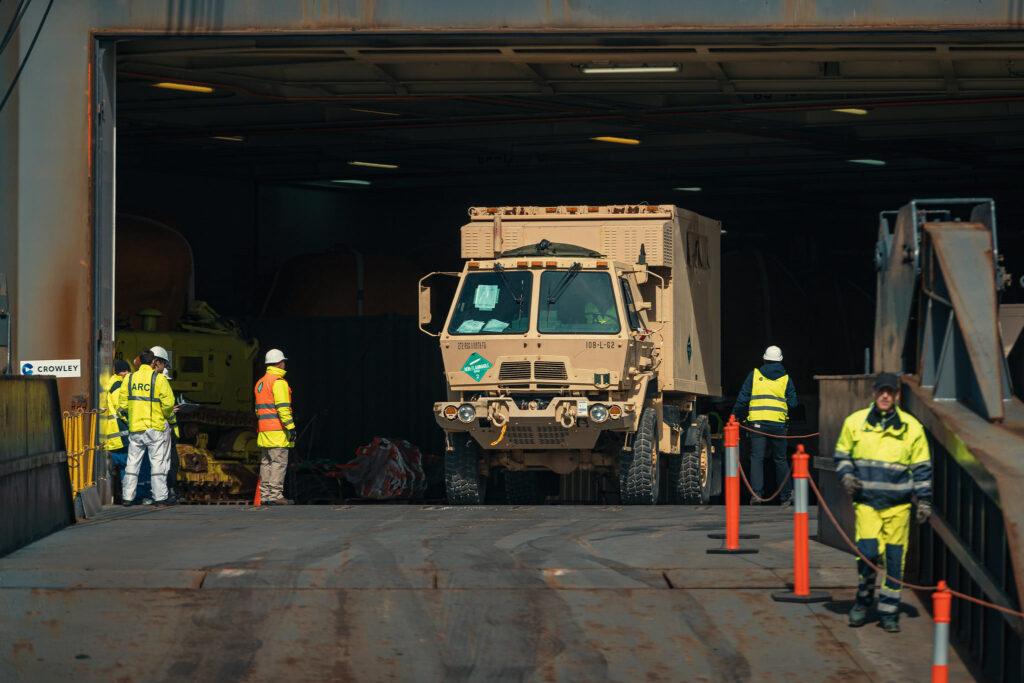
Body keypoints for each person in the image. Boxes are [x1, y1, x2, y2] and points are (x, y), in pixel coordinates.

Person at [834, 372, 932, 634]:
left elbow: (922, 468)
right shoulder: (855, 423)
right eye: (881, 391)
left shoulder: (912, 428)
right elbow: (842, 454)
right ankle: (864, 600)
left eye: (890, 392)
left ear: (898, 395)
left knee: (894, 561)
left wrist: (924, 501)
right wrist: (847, 476)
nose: (885, 396)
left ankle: (889, 612)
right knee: (866, 554)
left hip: (898, 507)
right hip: (867, 504)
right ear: (874, 393)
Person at [731, 345, 797, 505]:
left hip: (757, 424)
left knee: (756, 458)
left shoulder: (754, 375)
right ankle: (786, 496)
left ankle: (756, 495)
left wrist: (734, 415)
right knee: (780, 459)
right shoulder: (786, 379)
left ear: (764, 359)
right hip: (778, 426)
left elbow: (743, 398)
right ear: (781, 361)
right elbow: (793, 403)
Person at [118, 346, 178, 506]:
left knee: (132, 463)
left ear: (139, 361)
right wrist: (167, 417)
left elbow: (122, 404)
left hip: (136, 428)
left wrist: (130, 419)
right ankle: (160, 498)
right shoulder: (159, 379)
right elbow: (168, 404)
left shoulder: (129, 379)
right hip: (155, 428)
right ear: (153, 362)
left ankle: (127, 497)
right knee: (157, 464)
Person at [255, 349, 296, 505]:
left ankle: (265, 495)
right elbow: (283, 408)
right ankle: (275, 495)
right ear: (280, 363)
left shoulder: (260, 383)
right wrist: (291, 427)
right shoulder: (278, 382)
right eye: (283, 362)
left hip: (264, 431)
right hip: (278, 431)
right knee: (278, 463)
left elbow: (257, 409)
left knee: (266, 463)